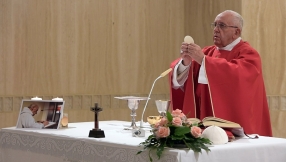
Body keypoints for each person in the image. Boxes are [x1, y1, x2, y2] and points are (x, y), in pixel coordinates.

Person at [169, 10, 272, 136]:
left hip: (236, 124)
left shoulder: (249, 54)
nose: (216, 29)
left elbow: (238, 77)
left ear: (236, 32)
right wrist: (186, 62)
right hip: (204, 123)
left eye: (222, 25)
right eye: (215, 25)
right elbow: (184, 78)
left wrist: (204, 61)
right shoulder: (207, 52)